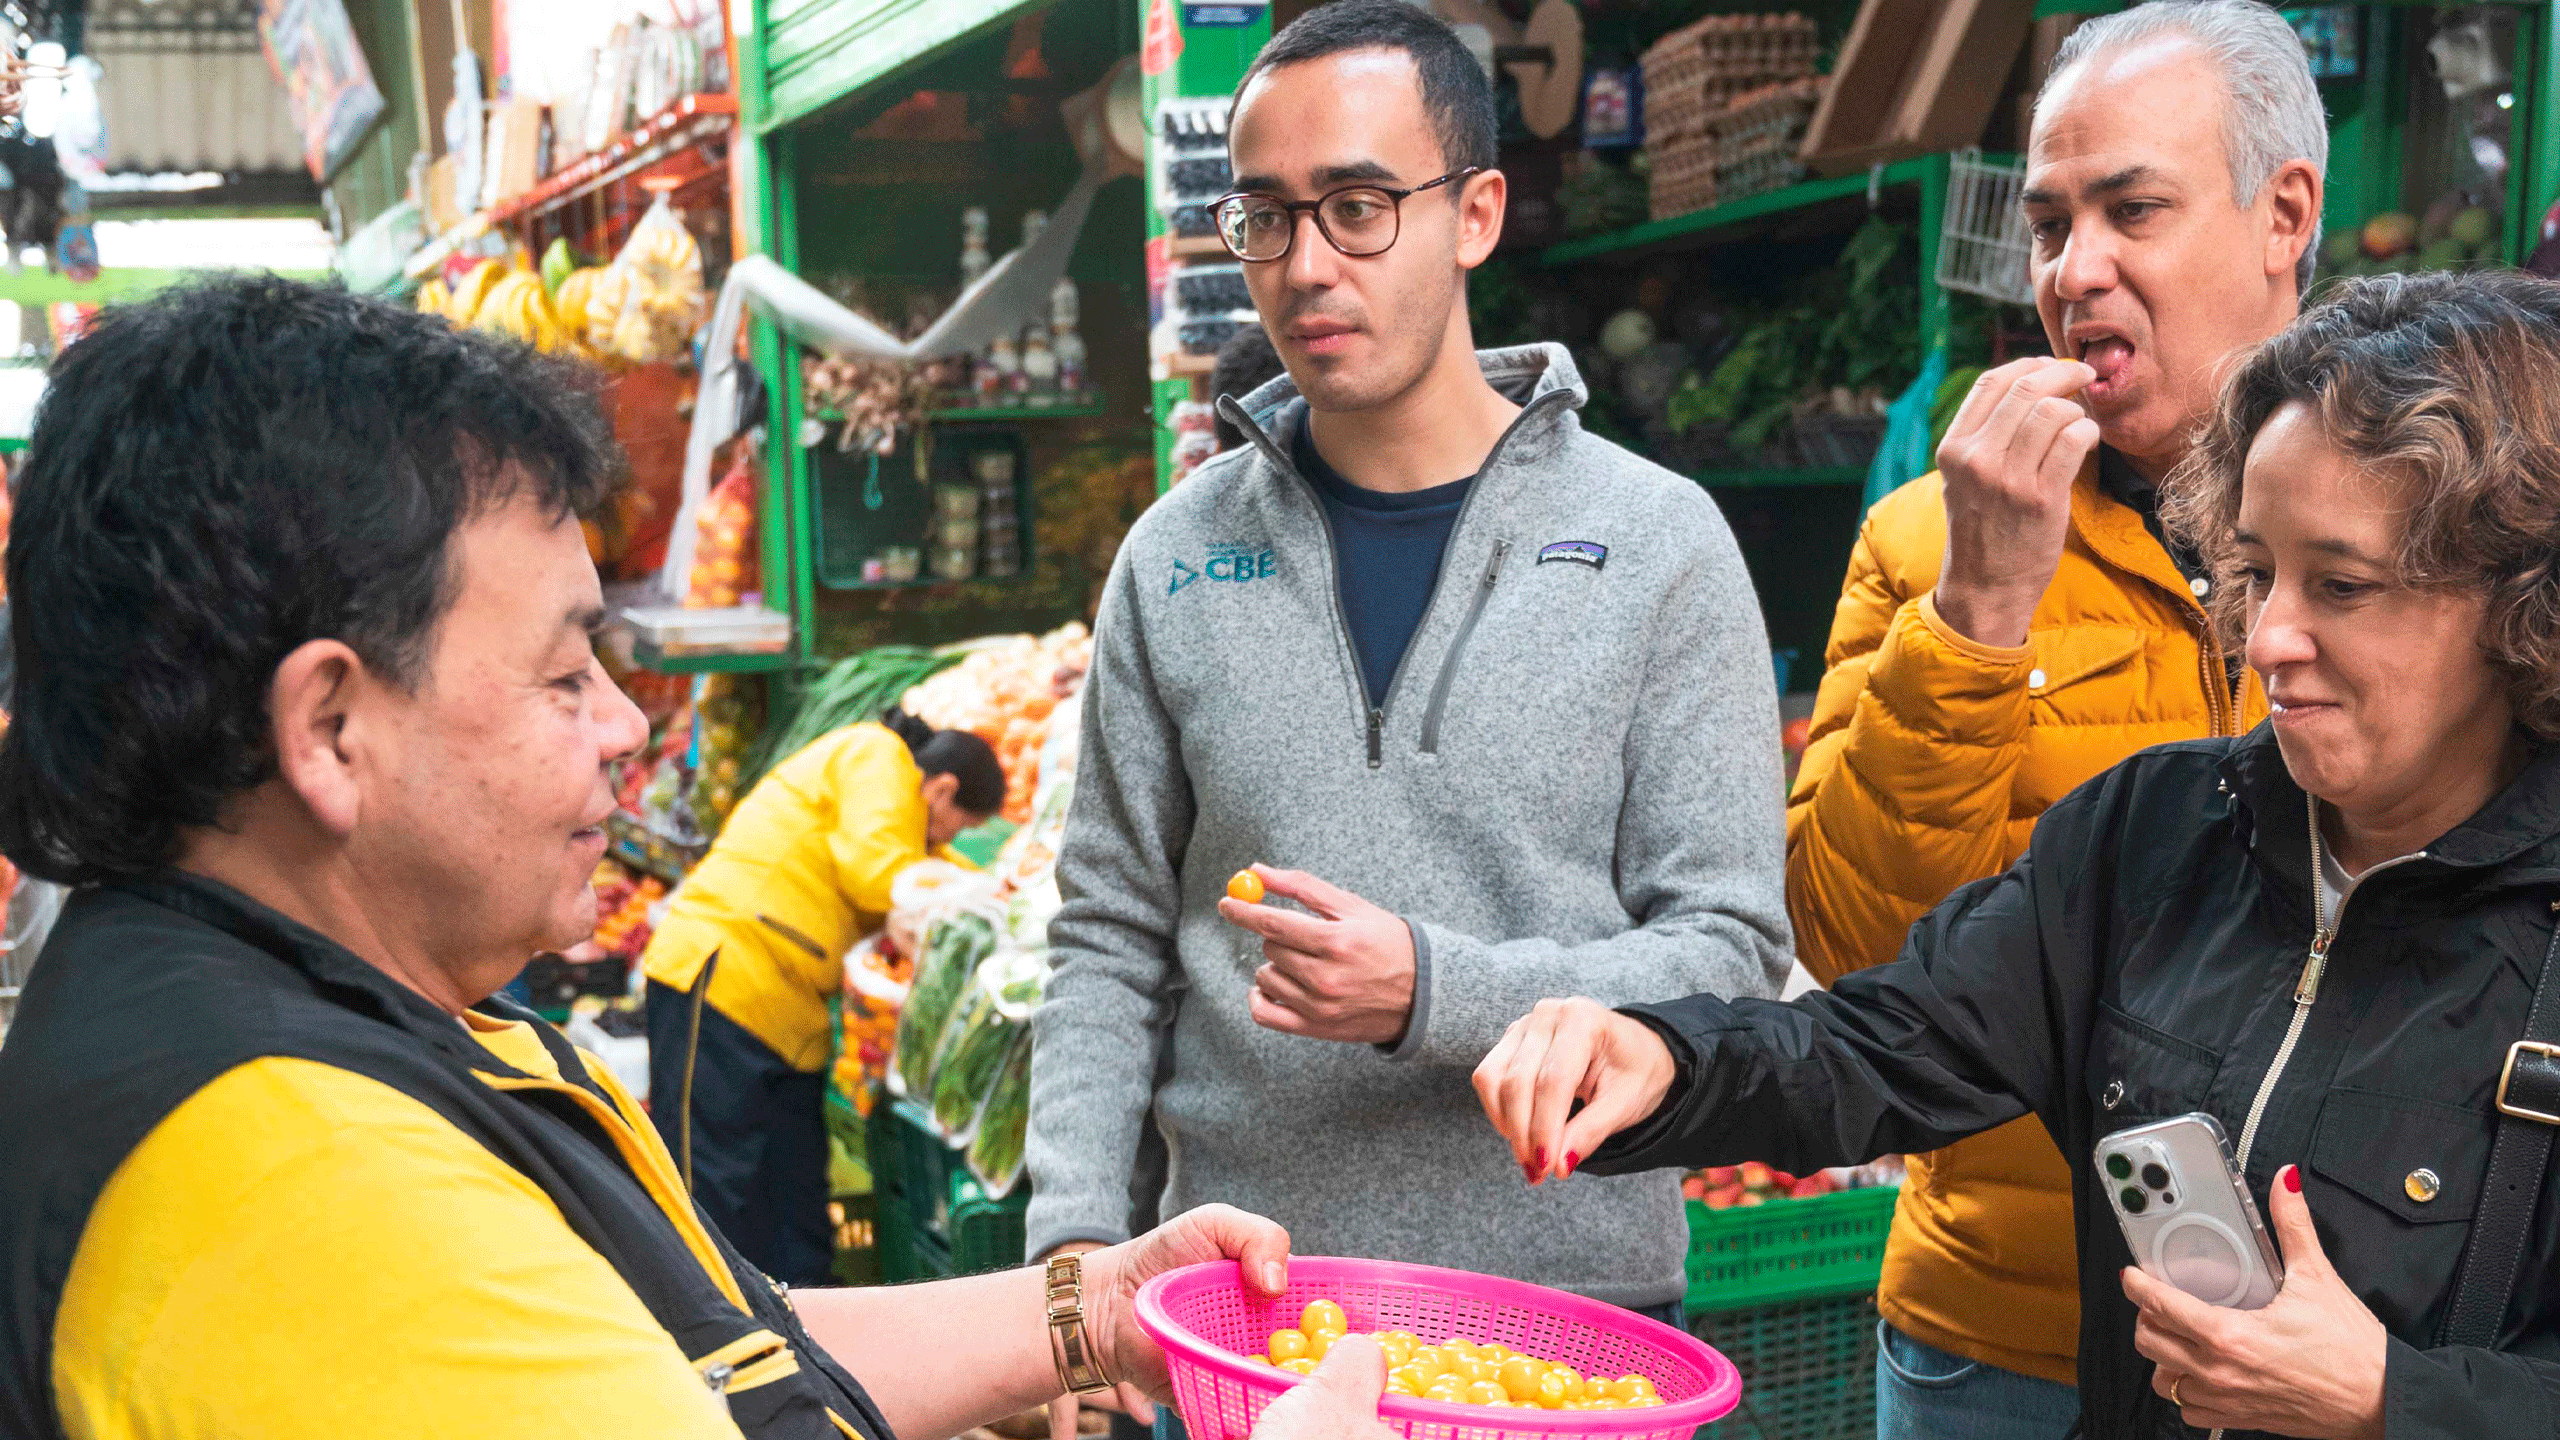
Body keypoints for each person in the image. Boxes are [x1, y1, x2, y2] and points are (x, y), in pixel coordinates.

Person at [0, 274, 1380, 1440]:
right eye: (563, 674)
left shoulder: (355, 1017)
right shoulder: (297, 1197)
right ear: (332, 727)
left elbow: (716, 1351)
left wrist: (1093, 1315)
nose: (616, 726)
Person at [1477, 269, 2560, 1440]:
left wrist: (2391, 1401)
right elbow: (1884, 1044)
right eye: (2256, 571)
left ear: (2522, 606)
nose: (2266, 635)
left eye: (2340, 586)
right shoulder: (2159, 831)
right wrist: (1660, 1058)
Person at [1027, 5, 1788, 1428]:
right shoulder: (1175, 558)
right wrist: (1070, 1273)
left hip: (1575, 1342)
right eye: (1266, 216)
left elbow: (1730, 959)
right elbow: (1107, 936)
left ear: (1476, 213)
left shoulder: (1658, 544)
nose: (1307, 264)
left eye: (1362, 208)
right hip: (1240, 1335)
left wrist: (1433, 995)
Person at [1782, 2, 2318, 1427]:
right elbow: (1862, 957)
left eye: (2132, 209)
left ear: (2285, 216)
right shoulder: (1925, 542)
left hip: (2343, 1327)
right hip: (2000, 1339)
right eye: (2050, 224)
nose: (2076, 273)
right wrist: (1977, 608)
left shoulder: (2430, 539)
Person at [640, 706, 1004, 1284]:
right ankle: (707, 1325)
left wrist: (996, 893)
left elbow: (927, 869)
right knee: (710, 1182)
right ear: (941, 789)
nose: (948, 841)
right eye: (955, 826)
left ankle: (801, 1332)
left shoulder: (908, 824)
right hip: (724, 980)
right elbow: (875, 868)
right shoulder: (875, 753)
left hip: (788, 1018)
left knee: (794, 1190)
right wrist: (953, 899)